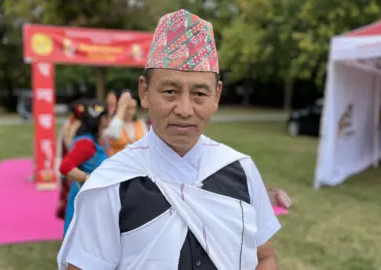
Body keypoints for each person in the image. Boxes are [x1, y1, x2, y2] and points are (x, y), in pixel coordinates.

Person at [58, 9, 280, 269]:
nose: (185, 109)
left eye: (199, 93)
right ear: (145, 91)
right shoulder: (112, 185)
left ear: (216, 96)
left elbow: (263, 257)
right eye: (170, 91)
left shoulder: (241, 170)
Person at [58, 99, 110, 235]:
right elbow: (65, 167)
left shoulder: (94, 140)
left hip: (93, 201)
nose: (110, 120)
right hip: (84, 201)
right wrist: (88, 178)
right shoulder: (85, 143)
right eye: (107, 116)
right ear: (101, 119)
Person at [103, 91, 149, 156]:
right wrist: (120, 110)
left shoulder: (140, 124)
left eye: (133, 108)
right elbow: (111, 134)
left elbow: (147, 144)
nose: (131, 112)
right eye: (128, 108)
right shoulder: (114, 123)